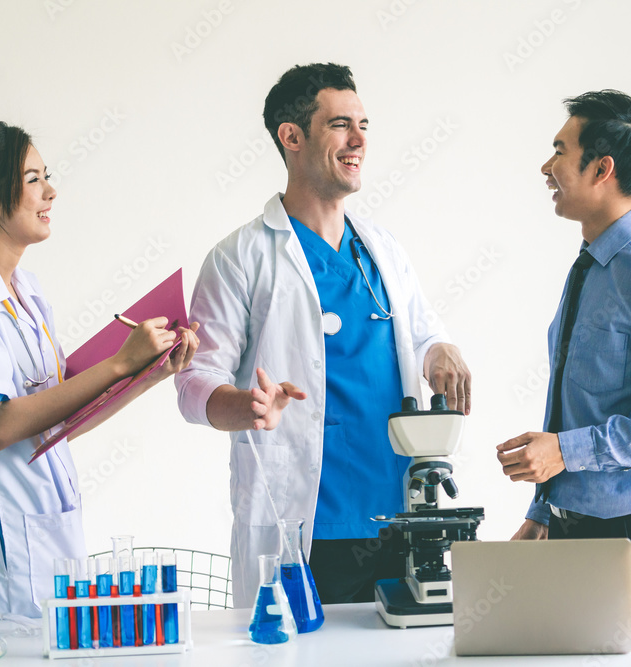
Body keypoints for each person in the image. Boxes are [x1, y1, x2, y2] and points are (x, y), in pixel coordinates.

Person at [176, 63, 471, 607]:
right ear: (292, 137)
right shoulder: (239, 257)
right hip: (304, 527)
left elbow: (424, 336)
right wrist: (249, 407)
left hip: (399, 520)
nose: (360, 140)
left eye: (364, 124)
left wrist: (441, 351)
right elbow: (195, 384)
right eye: (340, 124)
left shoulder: (384, 251)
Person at [0, 122, 199, 622]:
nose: (50, 192)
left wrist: (148, 372)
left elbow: (59, 423)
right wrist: (119, 362)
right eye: (31, 180)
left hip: (47, 536)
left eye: (47, 176)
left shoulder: (27, 290)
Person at [496, 91, 631, 667]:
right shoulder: (589, 266)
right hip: (573, 529)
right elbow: (571, 396)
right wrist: (545, 510)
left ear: (602, 169)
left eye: (559, 152)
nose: (546, 168)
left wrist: (565, 452)